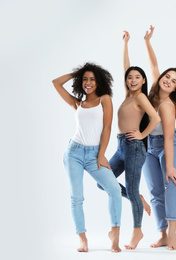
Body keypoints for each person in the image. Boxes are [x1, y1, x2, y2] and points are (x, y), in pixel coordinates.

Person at [98, 31, 161, 250]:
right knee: (101, 182)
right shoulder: (128, 95)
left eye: (137, 77)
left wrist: (143, 135)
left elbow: (156, 118)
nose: (132, 80)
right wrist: (125, 44)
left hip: (134, 147)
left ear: (143, 81)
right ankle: (138, 198)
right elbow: (126, 67)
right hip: (120, 146)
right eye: (130, 78)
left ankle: (137, 232)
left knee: (131, 189)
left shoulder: (141, 97)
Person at [52, 63, 122, 253]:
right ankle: (82, 239)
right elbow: (56, 83)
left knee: (114, 190)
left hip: (94, 155)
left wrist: (101, 155)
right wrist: (77, 73)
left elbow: (107, 128)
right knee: (77, 197)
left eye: (92, 79)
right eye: (85, 79)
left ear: (99, 81)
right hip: (73, 152)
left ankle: (114, 234)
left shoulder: (105, 99)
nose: (88, 82)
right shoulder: (78, 103)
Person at [142, 26, 176, 250]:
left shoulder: (168, 106)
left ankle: (173, 233)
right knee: (155, 191)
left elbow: (168, 139)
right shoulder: (151, 94)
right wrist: (147, 41)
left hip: (170, 146)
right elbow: (153, 65)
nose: (168, 81)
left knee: (172, 184)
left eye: (174, 81)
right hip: (149, 147)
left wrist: (170, 166)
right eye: (167, 77)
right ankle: (163, 234)